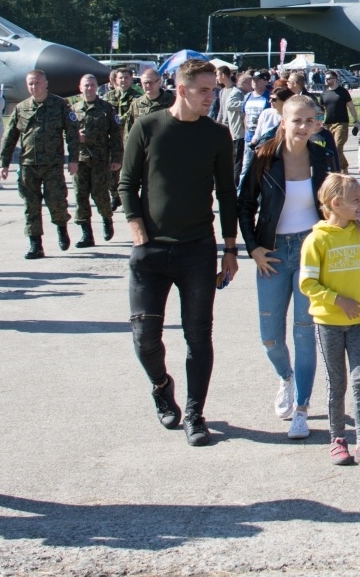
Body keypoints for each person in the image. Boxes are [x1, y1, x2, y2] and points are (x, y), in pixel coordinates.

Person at [118, 58, 239, 447]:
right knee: (144, 337)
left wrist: (230, 247)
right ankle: (161, 385)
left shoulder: (217, 135)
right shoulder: (148, 126)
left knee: (198, 337)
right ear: (182, 90)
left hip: (197, 250)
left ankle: (194, 414)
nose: (211, 97)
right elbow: (126, 183)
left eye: (214, 90)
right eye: (204, 90)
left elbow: (227, 195)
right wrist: (137, 230)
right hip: (150, 251)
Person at [239, 94, 335, 441]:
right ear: (283, 120)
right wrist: (253, 248)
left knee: (304, 331)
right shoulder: (265, 156)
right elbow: (245, 203)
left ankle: (302, 409)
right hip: (274, 253)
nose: (303, 127)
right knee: (270, 336)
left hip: (311, 249)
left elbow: (334, 201)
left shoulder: (323, 156)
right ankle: (286, 377)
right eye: (297, 120)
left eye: (310, 121)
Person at [300, 173, 360, 472]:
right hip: (328, 323)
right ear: (336, 204)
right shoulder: (316, 240)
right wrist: (338, 300)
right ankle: (337, 438)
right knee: (337, 382)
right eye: (356, 201)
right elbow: (308, 284)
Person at [0, 70, 80, 259]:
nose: (34, 87)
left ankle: (61, 229)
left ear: (45, 84)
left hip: (53, 164)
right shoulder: (21, 108)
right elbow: (10, 137)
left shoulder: (60, 105)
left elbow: (72, 134)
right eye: (30, 84)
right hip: (28, 165)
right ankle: (35, 244)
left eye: (37, 83)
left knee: (57, 201)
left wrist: (74, 159)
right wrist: (3, 163)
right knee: (31, 205)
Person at [69, 73, 123, 245]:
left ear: (97, 87)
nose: (89, 88)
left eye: (92, 85)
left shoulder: (107, 108)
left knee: (100, 195)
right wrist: (75, 136)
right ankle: (86, 233)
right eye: (86, 85)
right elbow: (65, 133)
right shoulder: (73, 109)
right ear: (80, 88)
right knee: (80, 196)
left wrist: (116, 158)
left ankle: (107, 219)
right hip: (80, 160)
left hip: (100, 159)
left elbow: (115, 135)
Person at [320, 71, 354, 173]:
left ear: (335, 79)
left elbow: (351, 107)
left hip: (342, 123)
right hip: (328, 124)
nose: (327, 80)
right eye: (326, 79)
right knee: (333, 148)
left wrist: (356, 120)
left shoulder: (343, 91)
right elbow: (321, 110)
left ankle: (337, 171)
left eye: (329, 78)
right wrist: (320, 122)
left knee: (338, 146)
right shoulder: (324, 94)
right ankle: (344, 166)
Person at [126, 67, 175, 136]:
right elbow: (129, 130)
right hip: (143, 144)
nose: (148, 86)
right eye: (145, 83)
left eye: (151, 82)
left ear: (159, 82)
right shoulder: (136, 104)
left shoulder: (173, 101)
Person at [218, 71, 247, 177]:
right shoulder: (232, 92)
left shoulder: (235, 91)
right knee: (235, 159)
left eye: (216, 74)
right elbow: (223, 109)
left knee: (235, 158)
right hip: (233, 129)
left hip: (234, 129)